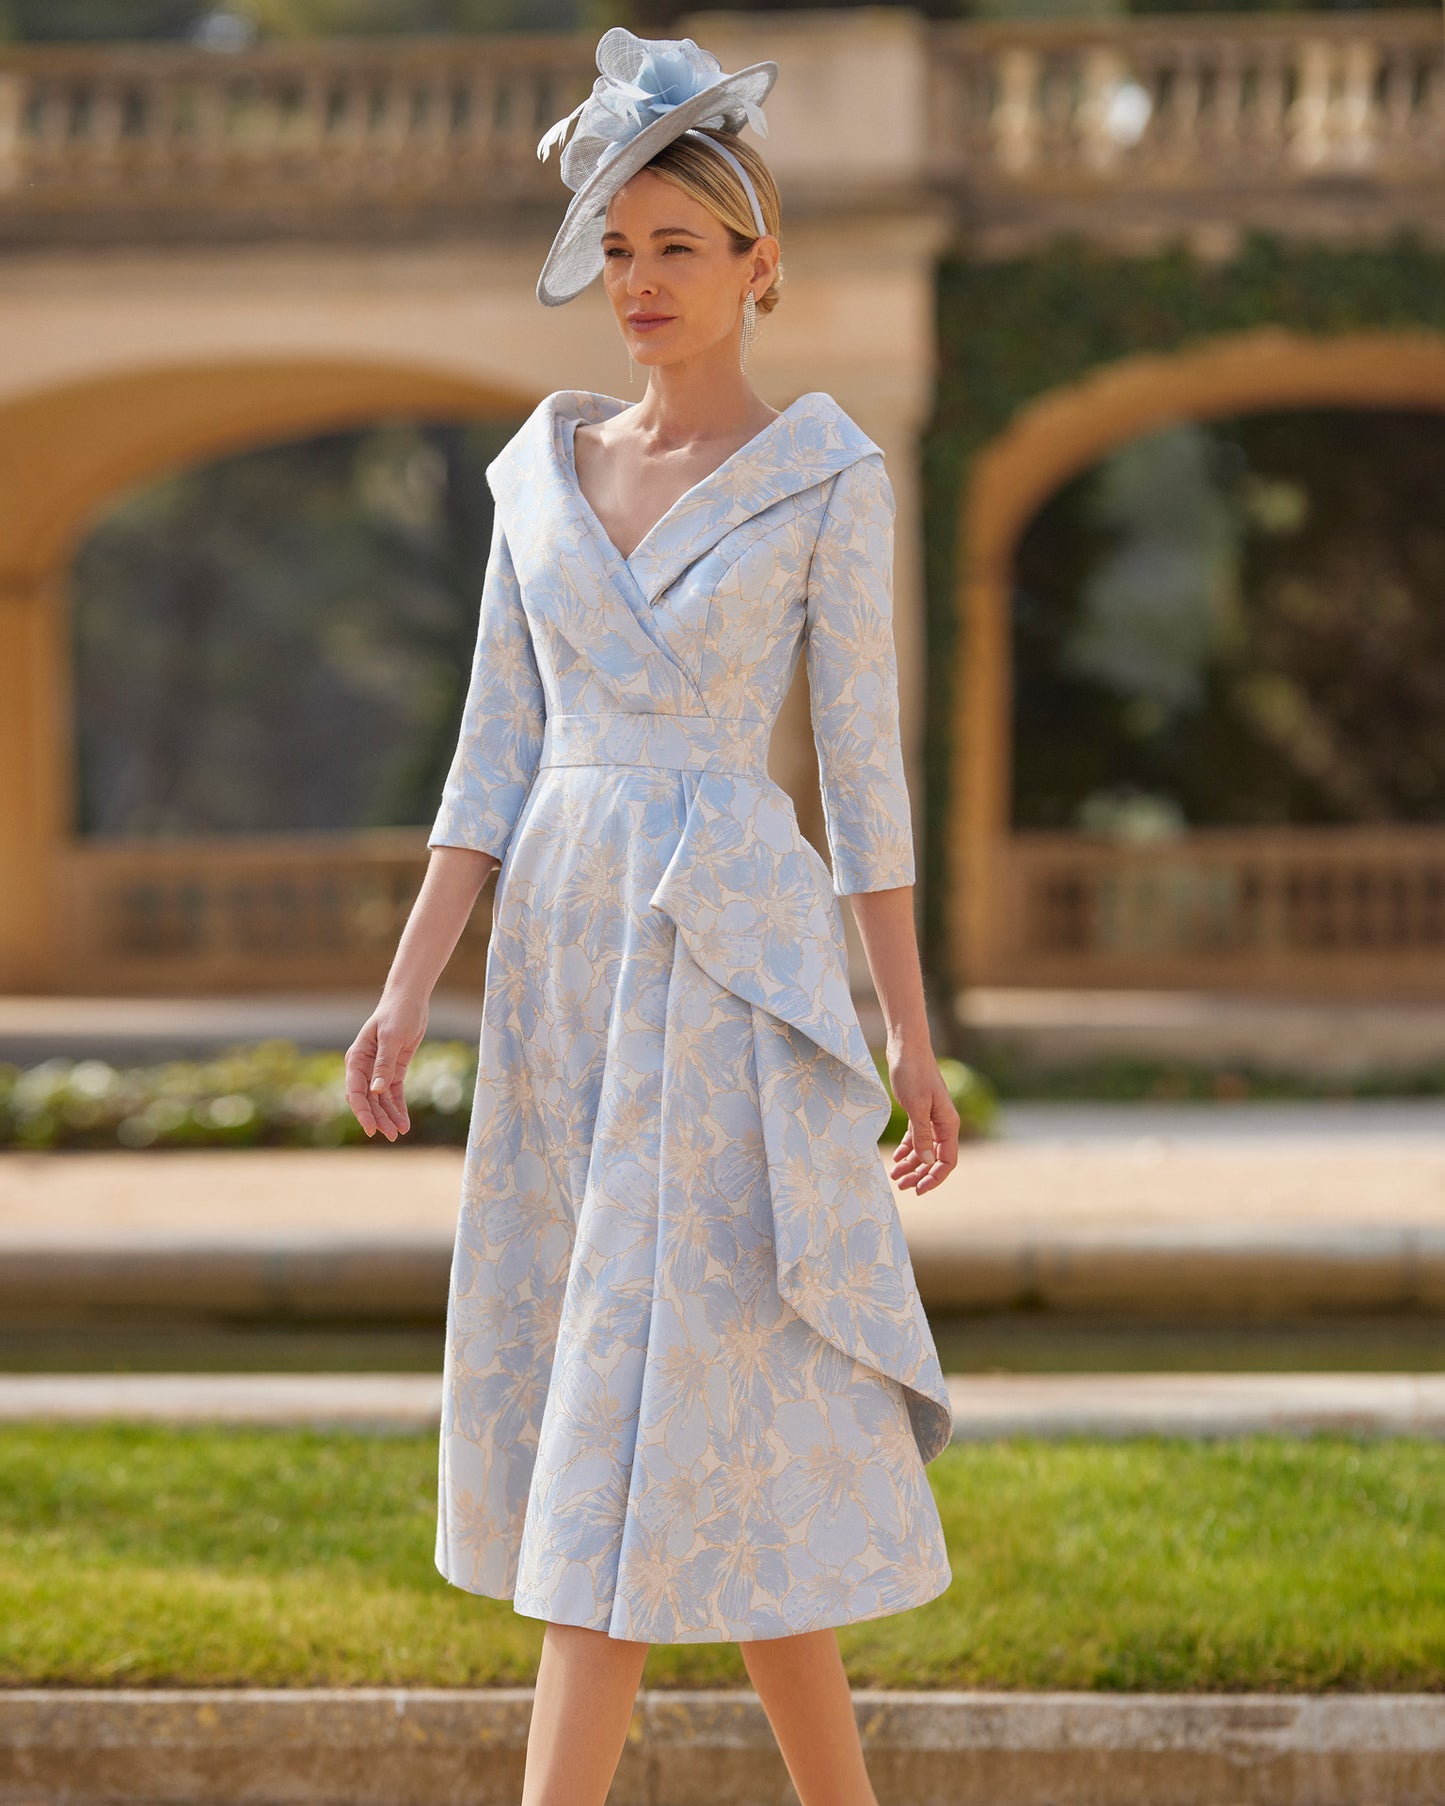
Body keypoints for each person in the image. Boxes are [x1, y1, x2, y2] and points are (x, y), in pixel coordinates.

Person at [345, 27, 960, 1806]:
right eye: (616, 246)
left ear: (758, 264)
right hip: (561, 949)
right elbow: (487, 756)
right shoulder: (533, 477)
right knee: (654, 1402)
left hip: (731, 952)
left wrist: (909, 1031)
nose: (638, 280)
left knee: (670, 1394)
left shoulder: (827, 476)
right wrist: (404, 989)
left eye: (676, 245)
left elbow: (863, 779)